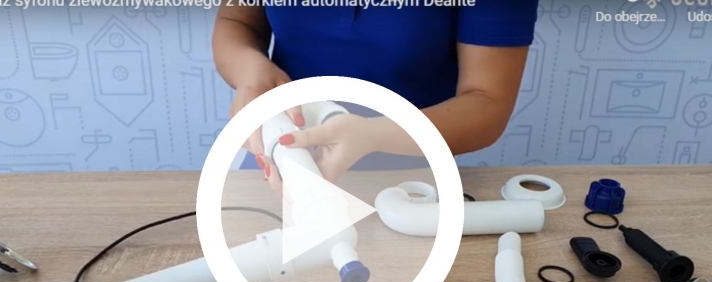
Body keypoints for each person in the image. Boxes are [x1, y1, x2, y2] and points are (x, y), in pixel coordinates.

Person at [212, 2, 539, 192]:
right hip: (279, 158)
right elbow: (236, 20)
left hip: (408, 178)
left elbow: (487, 101)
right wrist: (248, 68)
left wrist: (373, 135)